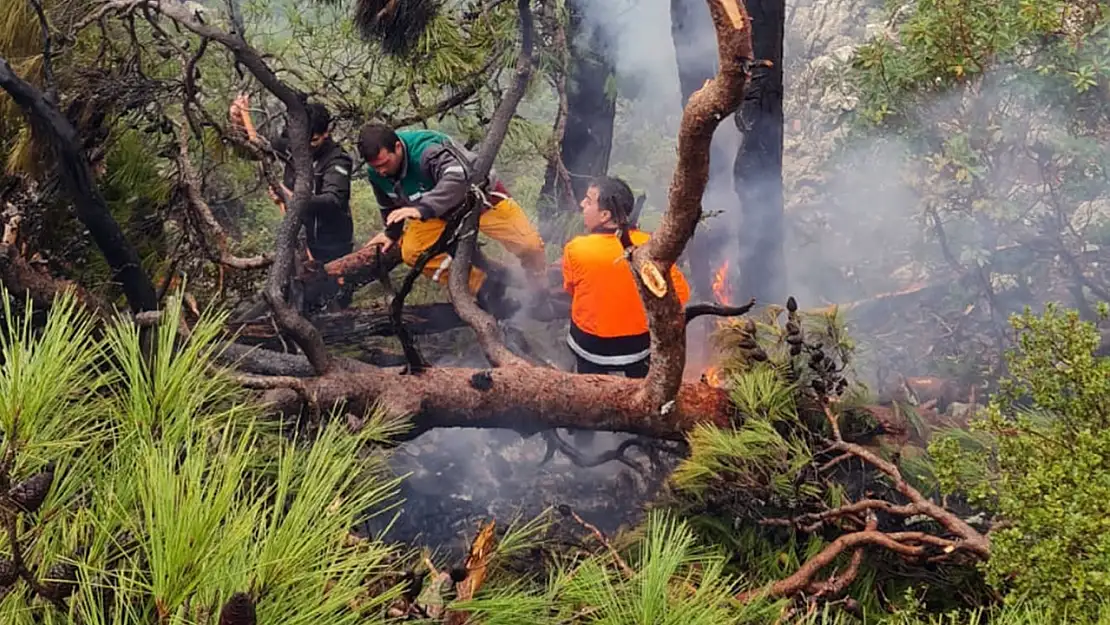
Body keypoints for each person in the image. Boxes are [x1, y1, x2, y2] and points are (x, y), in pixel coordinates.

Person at [357, 123, 547, 314]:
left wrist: (423, 208)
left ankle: (538, 284)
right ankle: (484, 285)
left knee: (529, 245)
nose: (381, 171)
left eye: (384, 164)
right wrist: (391, 232)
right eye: (375, 166)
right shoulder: (376, 172)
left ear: (397, 147)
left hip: (480, 199)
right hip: (436, 213)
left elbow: (458, 177)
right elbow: (387, 201)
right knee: (413, 252)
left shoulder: (427, 151)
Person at [562, 176, 691, 378]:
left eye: (588, 200)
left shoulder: (576, 248)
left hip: (590, 346)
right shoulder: (651, 247)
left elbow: (570, 289)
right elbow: (681, 294)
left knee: (591, 386)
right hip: (638, 347)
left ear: (605, 215)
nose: (582, 204)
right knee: (641, 386)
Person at [229, 94, 355, 267]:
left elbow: (333, 201)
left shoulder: (337, 160)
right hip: (297, 240)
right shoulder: (293, 145)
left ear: (326, 132)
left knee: (327, 289)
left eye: (313, 141)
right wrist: (237, 123)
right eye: (302, 141)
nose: (306, 147)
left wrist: (289, 196)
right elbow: (251, 150)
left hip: (331, 247)